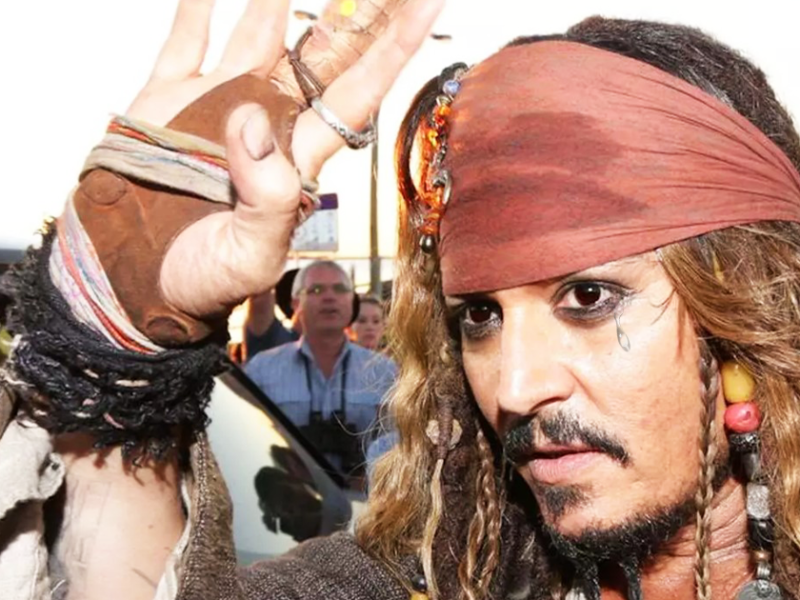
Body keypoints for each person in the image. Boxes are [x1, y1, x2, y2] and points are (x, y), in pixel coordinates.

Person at [3, 7, 800, 600]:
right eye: (479, 316)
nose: (515, 386)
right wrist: (118, 336)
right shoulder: (442, 573)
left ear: (749, 306)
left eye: (587, 297)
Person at [245, 260, 395, 475]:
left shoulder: (384, 371)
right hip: (287, 492)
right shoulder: (261, 370)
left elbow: (398, 447)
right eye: (316, 290)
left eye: (340, 289)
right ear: (296, 303)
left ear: (352, 302)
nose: (329, 297)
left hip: (365, 494)